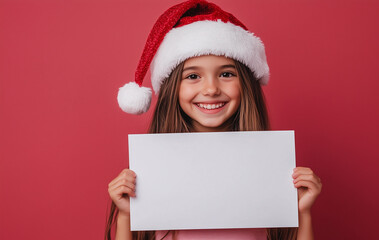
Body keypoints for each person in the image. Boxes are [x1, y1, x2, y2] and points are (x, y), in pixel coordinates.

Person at [106, 1, 322, 240]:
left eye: (226, 74)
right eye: (193, 76)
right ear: (172, 88)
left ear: (246, 85)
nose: (211, 89)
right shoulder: (151, 172)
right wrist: (126, 215)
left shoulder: (271, 169)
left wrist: (303, 213)